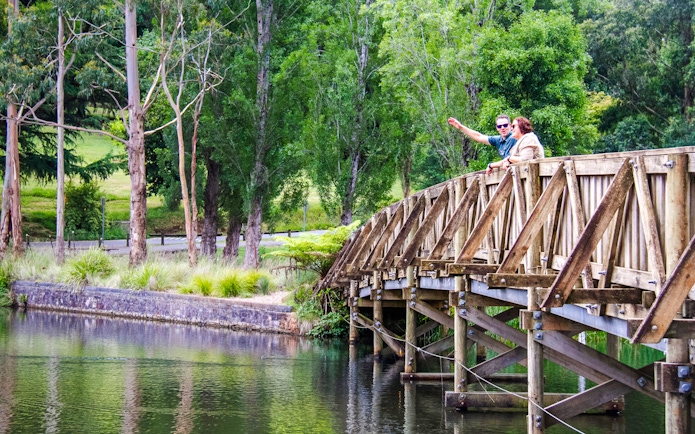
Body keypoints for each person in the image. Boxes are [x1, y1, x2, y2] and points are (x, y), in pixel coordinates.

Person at [447, 114, 516, 159]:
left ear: (510, 126)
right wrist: (461, 127)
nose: (502, 128)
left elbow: (508, 159)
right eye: (499, 126)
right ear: (497, 128)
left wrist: (491, 166)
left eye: (505, 125)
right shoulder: (498, 139)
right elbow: (479, 137)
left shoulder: (514, 138)